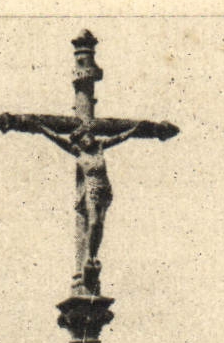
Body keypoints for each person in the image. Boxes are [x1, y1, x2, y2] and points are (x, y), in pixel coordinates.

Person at [32, 120, 142, 289]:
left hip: (104, 188)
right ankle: (89, 257)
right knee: (93, 222)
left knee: (100, 225)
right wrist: (42, 128)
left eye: (88, 136)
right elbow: (56, 138)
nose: (86, 140)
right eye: (83, 138)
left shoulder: (100, 148)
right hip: (90, 189)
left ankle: (93, 256)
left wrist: (134, 130)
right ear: (79, 141)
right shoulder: (77, 152)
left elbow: (119, 137)